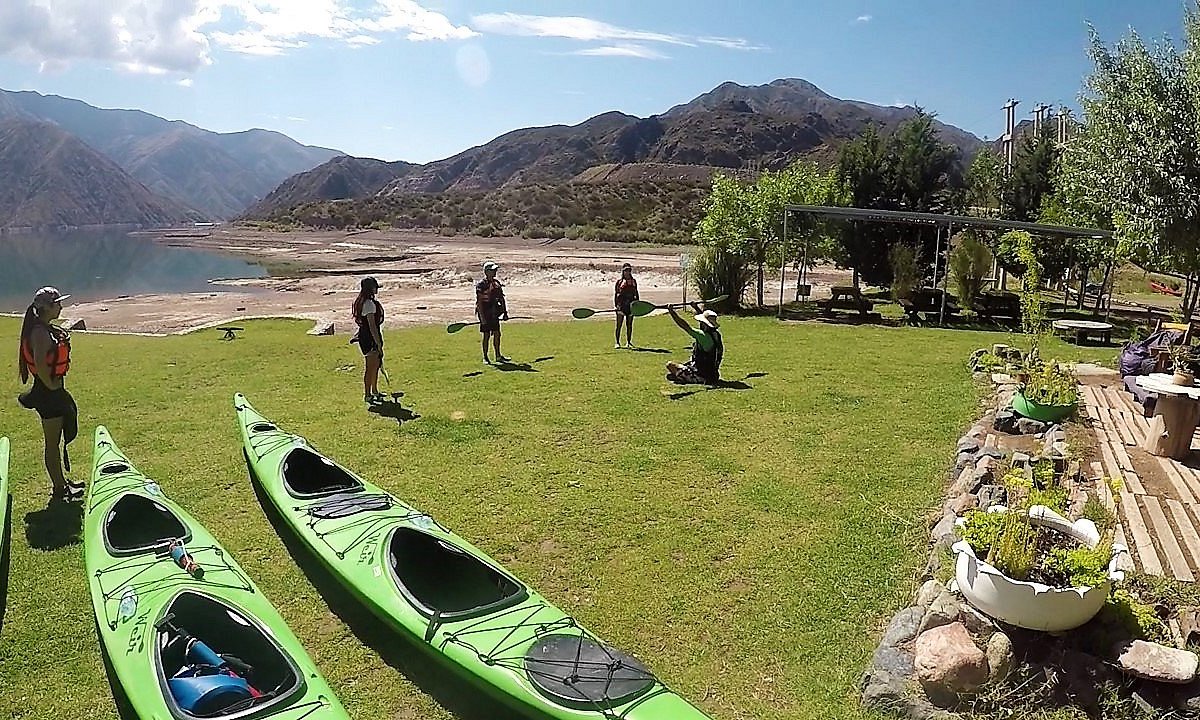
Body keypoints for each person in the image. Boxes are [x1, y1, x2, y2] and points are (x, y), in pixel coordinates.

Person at [17, 286, 83, 501]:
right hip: (48, 394)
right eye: (57, 304)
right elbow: (40, 364)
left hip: (50, 391)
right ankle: (59, 488)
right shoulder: (39, 333)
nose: (61, 306)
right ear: (46, 308)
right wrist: (52, 386)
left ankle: (62, 482)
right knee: (52, 444)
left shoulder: (43, 328)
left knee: (55, 440)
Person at [665, 304, 723, 385]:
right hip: (712, 375)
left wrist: (672, 312)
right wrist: (695, 307)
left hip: (701, 375)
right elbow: (703, 323)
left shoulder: (703, 336)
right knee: (674, 371)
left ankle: (684, 377)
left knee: (670, 365)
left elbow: (685, 326)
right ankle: (681, 376)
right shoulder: (716, 335)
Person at [351, 276, 386, 403]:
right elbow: (371, 325)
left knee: (376, 365)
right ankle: (367, 394)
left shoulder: (364, 302)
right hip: (369, 338)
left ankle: (375, 391)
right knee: (370, 367)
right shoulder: (369, 304)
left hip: (367, 336)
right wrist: (377, 342)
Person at [476, 261, 509, 363]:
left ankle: (498, 356)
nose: (495, 272)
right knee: (486, 336)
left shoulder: (496, 283)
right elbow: (479, 303)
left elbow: (501, 299)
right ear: (486, 272)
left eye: (495, 270)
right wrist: (482, 318)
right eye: (492, 270)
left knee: (497, 334)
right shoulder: (481, 285)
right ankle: (485, 357)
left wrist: (505, 312)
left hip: (495, 313)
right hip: (485, 314)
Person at [613, 263, 640, 349]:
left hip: (630, 306)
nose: (627, 272)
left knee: (629, 325)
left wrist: (637, 305)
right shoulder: (619, 282)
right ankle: (617, 342)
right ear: (623, 271)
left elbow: (636, 293)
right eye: (626, 270)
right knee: (619, 325)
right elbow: (616, 294)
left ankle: (628, 342)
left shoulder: (633, 281)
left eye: (629, 270)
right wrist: (616, 306)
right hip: (621, 306)